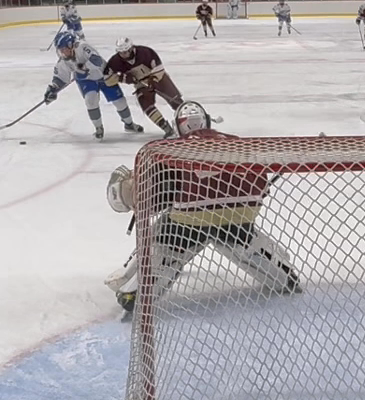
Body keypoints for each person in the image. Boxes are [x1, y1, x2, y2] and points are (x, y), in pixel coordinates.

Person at [101, 101, 300, 317]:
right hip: (243, 210)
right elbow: (259, 178)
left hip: (192, 216)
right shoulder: (234, 141)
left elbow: (156, 193)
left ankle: (138, 290)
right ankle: (283, 275)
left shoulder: (171, 149)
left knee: (167, 235)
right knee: (238, 239)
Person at [45, 31, 144, 139]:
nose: (62, 53)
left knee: (120, 101)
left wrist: (83, 68)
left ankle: (129, 124)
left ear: (71, 45)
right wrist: (53, 89)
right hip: (87, 81)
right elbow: (60, 78)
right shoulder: (64, 61)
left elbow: (97, 61)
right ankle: (98, 128)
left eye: (64, 49)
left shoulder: (82, 46)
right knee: (90, 100)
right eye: (60, 50)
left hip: (104, 75)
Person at [104, 37, 185, 137]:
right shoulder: (115, 61)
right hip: (141, 84)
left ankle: (189, 122)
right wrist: (123, 78)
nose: (123, 54)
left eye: (125, 51)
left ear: (131, 48)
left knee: (175, 100)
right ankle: (167, 128)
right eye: (121, 52)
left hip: (158, 78)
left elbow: (159, 67)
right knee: (146, 105)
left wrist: (153, 79)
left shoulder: (145, 52)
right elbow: (107, 79)